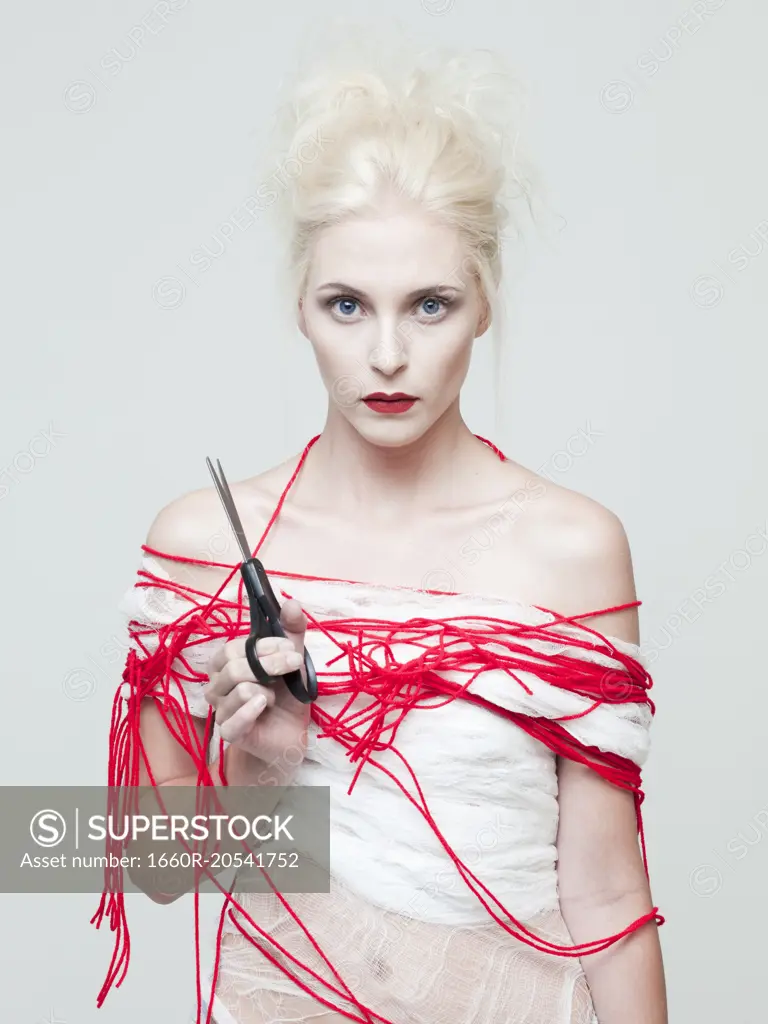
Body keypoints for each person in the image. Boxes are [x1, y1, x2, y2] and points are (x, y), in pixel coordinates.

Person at [92, 33, 668, 1024]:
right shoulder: (198, 544)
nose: (389, 353)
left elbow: (609, 894)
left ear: (484, 302)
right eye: (348, 305)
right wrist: (265, 765)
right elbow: (156, 869)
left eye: (430, 304)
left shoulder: (572, 549)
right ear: (301, 308)